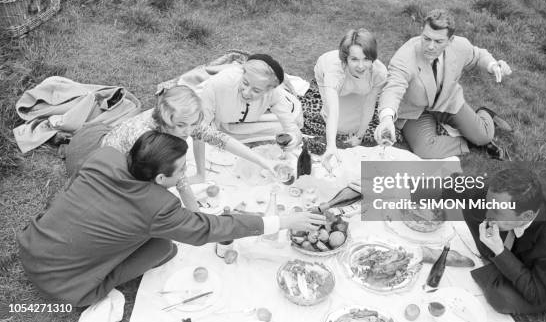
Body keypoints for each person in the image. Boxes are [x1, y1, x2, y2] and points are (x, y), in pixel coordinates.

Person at [18, 131, 326, 307]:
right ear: (162, 177)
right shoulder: (159, 207)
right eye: (181, 170)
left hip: (31, 247)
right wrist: (284, 222)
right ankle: (93, 283)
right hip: (66, 286)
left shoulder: (105, 156)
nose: (185, 174)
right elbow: (211, 229)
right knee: (164, 249)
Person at [65, 85, 287, 189]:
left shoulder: (184, 123)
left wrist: (262, 161)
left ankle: (198, 174)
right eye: (182, 125)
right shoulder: (145, 137)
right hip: (107, 162)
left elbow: (220, 139)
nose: (188, 131)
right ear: (165, 119)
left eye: (192, 124)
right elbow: (141, 181)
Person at [463, 167, 546, 322]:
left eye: (496, 211)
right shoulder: (503, 196)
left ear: (527, 215)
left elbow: (537, 293)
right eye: (489, 205)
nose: (488, 214)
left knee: (500, 297)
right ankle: (499, 261)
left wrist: (500, 252)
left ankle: (501, 263)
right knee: (472, 206)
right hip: (534, 250)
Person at [374, 9, 513, 159]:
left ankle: (485, 114)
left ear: (450, 40)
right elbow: (393, 88)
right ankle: (471, 144)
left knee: (484, 136)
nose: (430, 46)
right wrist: (387, 118)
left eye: (438, 41)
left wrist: (493, 66)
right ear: (422, 32)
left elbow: (478, 55)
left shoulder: (460, 46)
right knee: (426, 151)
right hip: (415, 112)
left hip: (448, 101)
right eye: (426, 39)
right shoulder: (405, 56)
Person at [300, 28, 387, 163]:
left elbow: (370, 105)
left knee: (356, 120)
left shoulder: (379, 73)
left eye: (366, 59)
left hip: (360, 84)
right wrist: (331, 146)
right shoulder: (334, 73)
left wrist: (359, 136)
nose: (361, 66)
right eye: (354, 59)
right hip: (327, 74)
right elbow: (333, 112)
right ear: (345, 59)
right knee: (334, 120)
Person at [194, 53, 303, 146]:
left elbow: (291, 128)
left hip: (247, 123)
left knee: (285, 126)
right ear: (243, 73)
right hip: (217, 120)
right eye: (245, 83)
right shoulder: (218, 84)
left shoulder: (274, 93)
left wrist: (292, 141)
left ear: (268, 90)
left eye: (256, 90)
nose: (246, 93)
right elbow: (202, 126)